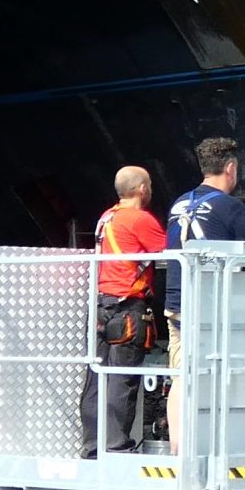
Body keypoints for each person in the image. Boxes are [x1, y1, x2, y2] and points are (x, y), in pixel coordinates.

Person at [164, 137, 245, 450]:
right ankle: (226, 447)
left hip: (178, 305)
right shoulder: (231, 208)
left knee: (181, 375)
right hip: (213, 308)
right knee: (225, 376)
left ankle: (178, 449)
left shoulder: (179, 203)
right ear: (230, 168)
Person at [81, 165, 166, 455]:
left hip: (102, 305)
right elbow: (168, 253)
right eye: (150, 185)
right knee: (123, 378)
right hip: (128, 308)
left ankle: (92, 445)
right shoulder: (140, 219)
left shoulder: (106, 218)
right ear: (142, 188)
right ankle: (117, 445)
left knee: (96, 376)